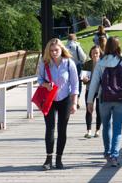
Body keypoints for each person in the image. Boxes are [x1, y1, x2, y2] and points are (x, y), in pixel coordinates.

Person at [87, 37, 122, 167]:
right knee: (117, 128)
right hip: (119, 99)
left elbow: (94, 82)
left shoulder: (100, 63)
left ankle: (107, 151)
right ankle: (114, 155)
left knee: (106, 126)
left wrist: (89, 101)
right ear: (118, 47)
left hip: (104, 98)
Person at [37, 38, 79, 170]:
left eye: (56, 50)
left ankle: (59, 159)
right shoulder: (45, 63)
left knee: (62, 130)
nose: (54, 52)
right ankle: (48, 159)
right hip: (49, 99)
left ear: (62, 50)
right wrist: (45, 84)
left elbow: (75, 83)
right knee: (49, 128)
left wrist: (74, 102)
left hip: (65, 99)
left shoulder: (69, 64)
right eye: (51, 50)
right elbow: (39, 79)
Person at [82, 46, 102, 139]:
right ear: (90, 54)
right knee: (89, 110)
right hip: (89, 89)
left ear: (100, 53)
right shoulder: (87, 64)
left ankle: (97, 130)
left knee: (99, 110)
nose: (95, 55)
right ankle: (88, 130)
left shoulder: (103, 64)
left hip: (100, 90)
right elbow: (83, 79)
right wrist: (84, 79)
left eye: (97, 53)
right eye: (93, 53)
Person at [66, 34, 86, 102]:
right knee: (78, 82)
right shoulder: (77, 46)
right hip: (77, 66)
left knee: (68, 81)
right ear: (75, 39)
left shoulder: (64, 47)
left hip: (67, 66)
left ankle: (69, 97)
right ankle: (77, 98)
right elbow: (83, 57)